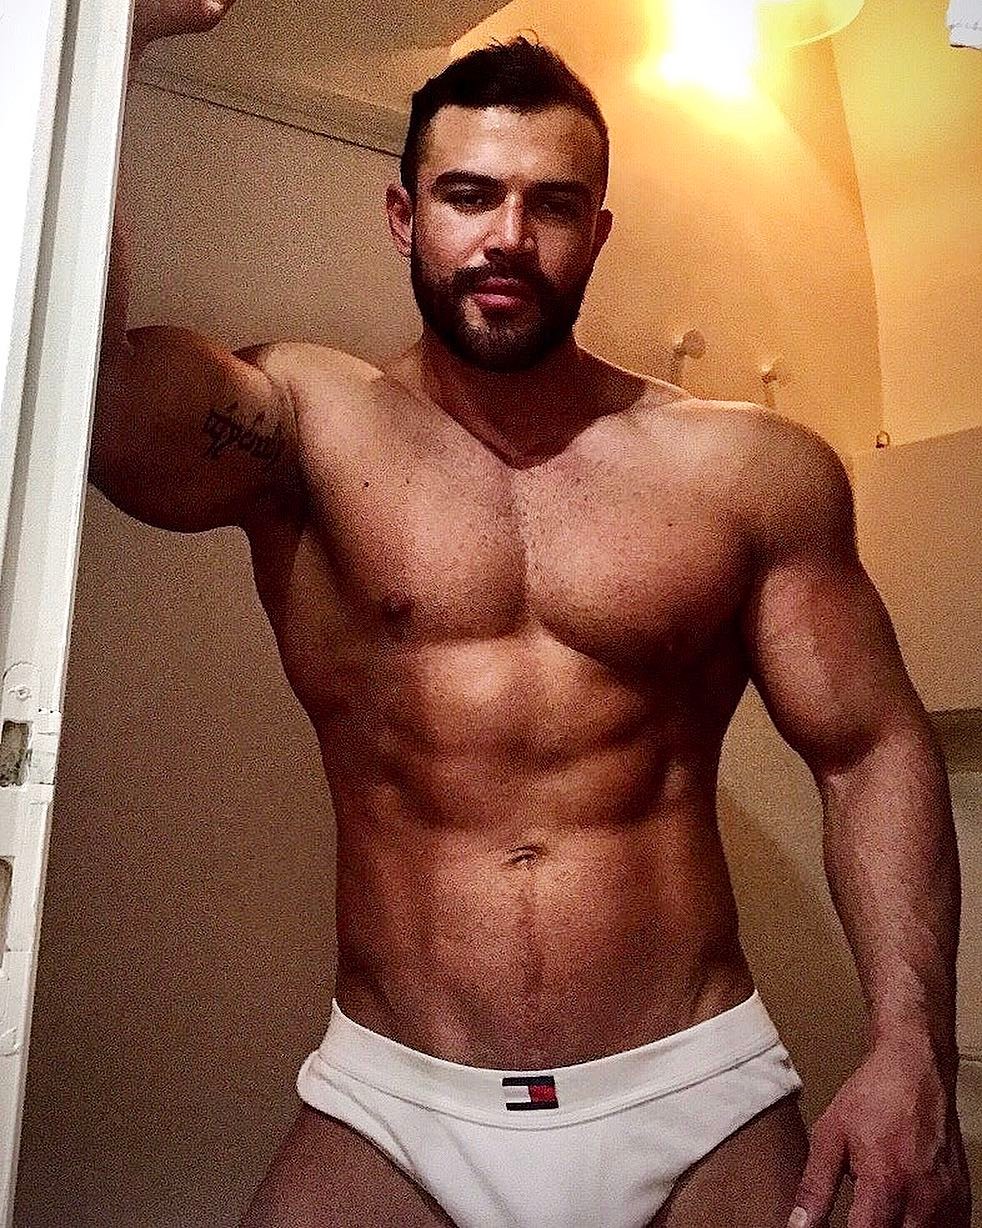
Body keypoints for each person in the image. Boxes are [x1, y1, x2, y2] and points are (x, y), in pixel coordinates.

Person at [94, 2, 971, 1226]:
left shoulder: (745, 469)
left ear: (597, 230)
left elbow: (869, 748)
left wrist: (911, 1047)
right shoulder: (306, 426)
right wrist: (107, 43)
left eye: (551, 204)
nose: (508, 236)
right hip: (395, 1102)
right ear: (402, 215)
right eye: (467, 195)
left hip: (694, 1091)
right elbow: (96, 402)